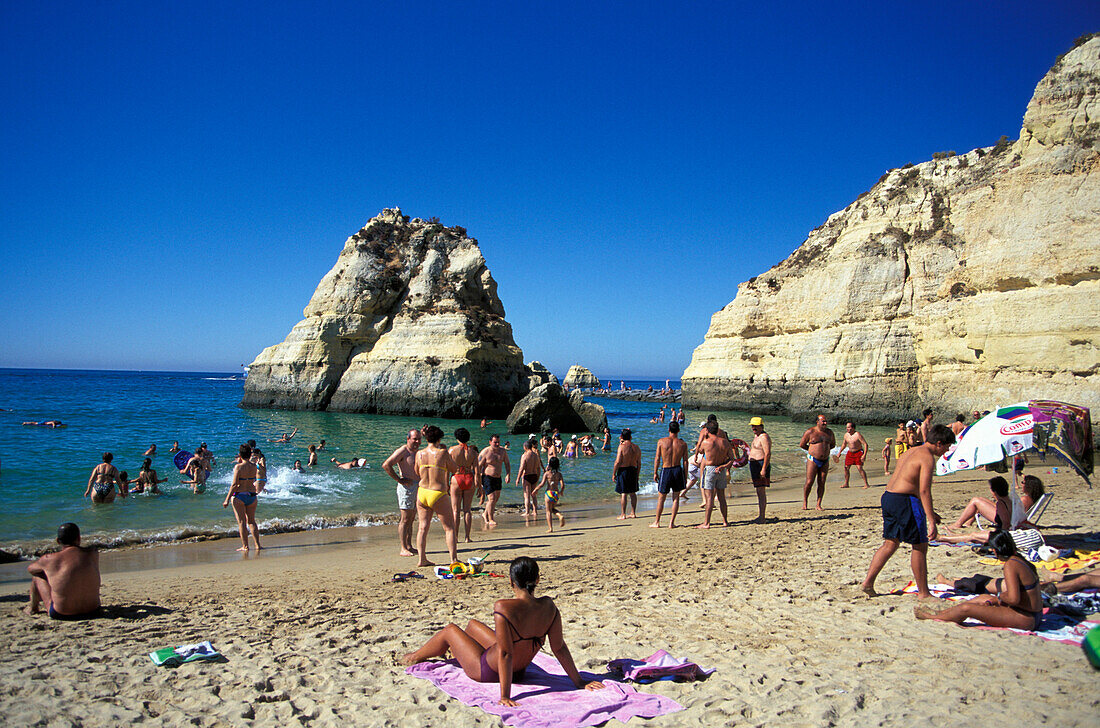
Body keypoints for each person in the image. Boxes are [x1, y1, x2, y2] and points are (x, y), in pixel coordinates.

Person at [401, 557, 603, 704]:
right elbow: (559, 648)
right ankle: (457, 651)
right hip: (520, 670)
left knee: (450, 630)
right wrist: (578, 681)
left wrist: (504, 695)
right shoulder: (549, 607)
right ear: (537, 580)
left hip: (488, 671)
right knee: (472, 625)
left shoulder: (503, 607)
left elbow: (506, 654)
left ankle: (416, 656)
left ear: (511, 582)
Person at [861, 424, 956, 598]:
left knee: (890, 543)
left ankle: (868, 583)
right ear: (939, 443)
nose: (946, 451)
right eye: (947, 447)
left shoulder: (911, 452)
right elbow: (924, 490)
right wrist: (931, 521)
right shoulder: (927, 458)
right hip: (905, 500)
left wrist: (931, 513)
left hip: (889, 497)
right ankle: (924, 593)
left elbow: (910, 481)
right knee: (920, 545)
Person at [916, 530, 1042, 629]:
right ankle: (942, 613)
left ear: (996, 550)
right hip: (1032, 613)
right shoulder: (1019, 559)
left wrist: (999, 598)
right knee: (981, 599)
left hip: (1026, 617)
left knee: (967, 609)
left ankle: (931, 617)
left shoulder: (1011, 565)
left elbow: (1014, 599)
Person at [25, 523, 101, 619]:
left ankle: (33, 608)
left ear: (58, 541)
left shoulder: (49, 559)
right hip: (94, 610)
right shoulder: (92, 553)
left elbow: (31, 569)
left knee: (37, 576)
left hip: (62, 613)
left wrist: (49, 572)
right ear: (79, 538)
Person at [413, 425, 459, 568]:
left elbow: (416, 471)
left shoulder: (419, 454)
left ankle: (422, 559)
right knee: (449, 528)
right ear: (439, 439)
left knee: (422, 527)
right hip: (437, 492)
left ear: (426, 438)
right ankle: (453, 560)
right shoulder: (442, 453)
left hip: (422, 492)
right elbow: (454, 469)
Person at [383, 430, 422, 556]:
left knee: (411, 518)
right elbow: (386, 465)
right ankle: (403, 547)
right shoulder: (403, 451)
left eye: (419, 439)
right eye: (415, 439)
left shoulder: (418, 452)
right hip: (406, 488)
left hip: (418, 487)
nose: (417, 442)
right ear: (408, 438)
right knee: (405, 519)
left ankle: (409, 545)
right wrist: (399, 479)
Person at [223, 444, 263, 551]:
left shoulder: (238, 467)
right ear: (250, 454)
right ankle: (257, 545)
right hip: (252, 496)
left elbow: (234, 485)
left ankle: (245, 546)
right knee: (252, 521)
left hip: (239, 496)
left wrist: (227, 499)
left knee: (242, 522)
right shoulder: (254, 466)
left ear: (240, 455)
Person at [650, 421, 688, 528]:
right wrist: (685, 475)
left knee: (661, 497)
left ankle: (657, 522)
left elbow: (657, 458)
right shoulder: (683, 444)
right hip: (677, 470)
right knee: (676, 497)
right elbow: (685, 461)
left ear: (668, 430)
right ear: (678, 430)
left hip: (666, 470)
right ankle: (671, 523)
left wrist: (655, 472)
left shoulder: (661, 442)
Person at [696, 420, 731, 528]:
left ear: (707, 430)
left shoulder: (706, 442)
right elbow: (731, 459)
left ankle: (706, 523)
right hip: (721, 468)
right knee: (721, 497)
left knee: (709, 497)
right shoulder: (725, 442)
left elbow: (701, 451)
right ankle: (725, 521)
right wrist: (724, 466)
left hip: (710, 468)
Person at [449, 428, 481, 544]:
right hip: (469, 478)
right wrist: (480, 487)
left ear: (457, 438)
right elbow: (477, 471)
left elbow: (447, 469)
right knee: (467, 510)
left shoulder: (452, 450)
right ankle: (467, 537)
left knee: (455, 511)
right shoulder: (473, 452)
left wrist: (445, 484)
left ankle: (455, 537)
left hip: (457, 478)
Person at [799, 415, 836, 510]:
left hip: (825, 460)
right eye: (823, 421)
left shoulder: (829, 433)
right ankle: (805, 502)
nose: (825, 423)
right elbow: (802, 444)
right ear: (817, 422)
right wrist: (812, 450)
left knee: (822, 482)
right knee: (809, 481)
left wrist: (824, 451)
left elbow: (832, 445)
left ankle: (818, 504)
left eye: (826, 421)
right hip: (813, 459)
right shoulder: (810, 432)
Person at [478, 434, 511, 526]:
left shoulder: (502, 451)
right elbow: (478, 466)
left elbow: (507, 463)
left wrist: (508, 474)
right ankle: (491, 518)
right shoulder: (485, 452)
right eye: (495, 442)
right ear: (490, 442)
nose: (497, 444)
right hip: (487, 477)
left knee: (495, 499)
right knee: (491, 499)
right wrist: (478, 480)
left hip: (498, 478)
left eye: (498, 442)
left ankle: (485, 514)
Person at [747, 416, 772, 524]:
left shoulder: (763, 437)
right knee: (758, 491)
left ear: (761, 426)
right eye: (752, 426)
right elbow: (755, 450)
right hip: (754, 464)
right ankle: (761, 516)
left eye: (756, 426)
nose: (753, 428)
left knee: (761, 492)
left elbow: (767, 453)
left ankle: (762, 517)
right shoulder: (756, 436)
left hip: (761, 464)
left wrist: (763, 469)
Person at [612, 428, 640, 520]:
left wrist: (614, 473)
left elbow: (617, 461)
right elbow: (639, 463)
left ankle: (623, 514)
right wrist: (638, 474)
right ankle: (633, 513)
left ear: (621, 437)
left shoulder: (621, 447)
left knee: (624, 493)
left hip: (623, 470)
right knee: (633, 493)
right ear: (631, 437)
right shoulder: (636, 447)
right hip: (633, 470)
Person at [535, 457, 567, 532]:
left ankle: (550, 528)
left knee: (548, 511)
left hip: (549, 493)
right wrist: (561, 492)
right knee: (552, 509)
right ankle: (559, 515)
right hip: (556, 493)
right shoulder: (559, 474)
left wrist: (536, 489)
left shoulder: (547, 474)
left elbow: (542, 484)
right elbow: (562, 485)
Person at [839, 422, 870, 489]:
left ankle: (866, 484)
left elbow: (865, 444)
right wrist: (839, 453)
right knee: (846, 468)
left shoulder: (857, 435)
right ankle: (846, 483)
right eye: (847, 427)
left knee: (859, 468)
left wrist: (864, 455)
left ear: (853, 428)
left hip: (858, 452)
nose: (847, 429)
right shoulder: (846, 435)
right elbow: (844, 444)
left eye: (849, 427)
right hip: (850, 453)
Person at [518, 439, 544, 519]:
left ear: (525, 447)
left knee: (527, 496)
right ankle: (535, 511)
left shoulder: (524, 455)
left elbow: (522, 468)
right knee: (534, 495)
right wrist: (538, 477)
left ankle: (527, 512)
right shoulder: (536, 455)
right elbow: (538, 467)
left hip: (527, 476)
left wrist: (518, 478)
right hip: (534, 475)